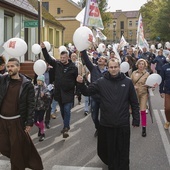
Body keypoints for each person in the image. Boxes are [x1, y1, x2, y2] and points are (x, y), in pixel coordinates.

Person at [77, 58, 140, 170]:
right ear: (108, 68)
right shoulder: (101, 82)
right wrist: (81, 84)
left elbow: (134, 102)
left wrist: (136, 119)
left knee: (123, 151)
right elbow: (87, 92)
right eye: (111, 67)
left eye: (115, 67)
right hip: (107, 124)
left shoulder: (127, 82)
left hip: (123, 124)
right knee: (110, 152)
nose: (113, 69)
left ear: (119, 68)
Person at [0, 58, 43, 170]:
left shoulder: (26, 84)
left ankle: (18, 163)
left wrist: (29, 122)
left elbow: (31, 104)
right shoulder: (3, 80)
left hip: (16, 122)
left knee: (16, 150)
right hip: (2, 121)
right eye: (8, 66)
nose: (9, 68)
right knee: (3, 147)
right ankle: (20, 159)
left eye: (12, 66)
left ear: (18, 68)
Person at [41, 43, 78, 138]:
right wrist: (44, 49)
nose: (62, 59)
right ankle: (66, 124)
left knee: (67, 110)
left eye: (64, 58)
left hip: (68, 92)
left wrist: (77, 91)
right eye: (61, 57)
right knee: (62, 110)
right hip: (59, 92)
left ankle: (66, 127)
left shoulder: (73, 67)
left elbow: (76, 80)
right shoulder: (57, 64)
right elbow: (48, 59)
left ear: (68, 57)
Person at [80, 50, 108, 137]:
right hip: (94, 97)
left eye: (102, 59)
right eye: (99, 58)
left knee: (105, 117)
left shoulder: (108, 72)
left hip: (104, 98)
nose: (100, 59)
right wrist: (83, 49)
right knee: (94, 116)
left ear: (105, 63)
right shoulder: (93, 68)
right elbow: (86, 60)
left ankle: (103, 131)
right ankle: (98, 128)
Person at [131, 59, 150, 137]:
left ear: (145, 65)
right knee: (133, 109)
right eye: (140, 64)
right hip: (134, 94)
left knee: (143, 111)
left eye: (142, 64)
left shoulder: (147, 74)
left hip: (143, 94)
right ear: (137, 65)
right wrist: (133, 87)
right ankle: (135, 121)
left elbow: (150, 85)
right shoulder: (133, 73)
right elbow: (130, 83)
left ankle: (144, 128)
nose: (141, 65)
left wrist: (151, 85)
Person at [34, 62, 55, 129]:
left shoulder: (51, 71)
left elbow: (54, 80)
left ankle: (47, 121)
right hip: (39, 93)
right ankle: (40, 123)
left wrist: (51, 86)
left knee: (48, 107)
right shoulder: (38, 72)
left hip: (48, 91)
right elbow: (35, 82)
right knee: (39, 108)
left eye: (46, 65)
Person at [34, 75, 51, 142]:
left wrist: (44, 95)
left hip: (42, 107)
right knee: (35, 121)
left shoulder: (45, 88)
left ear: (43, 81)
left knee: (40, 119)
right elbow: (33, 96)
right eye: (38, 80)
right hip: (36, 107)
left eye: (40, 81)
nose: (39, 82)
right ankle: (41, 128)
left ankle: (42, 134)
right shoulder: (35, 87)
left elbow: (49, 97)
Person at [159, 54, 170, 129]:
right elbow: (161, 80)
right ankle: (168, 121)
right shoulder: (164, 67)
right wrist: (161, 91)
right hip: (167, 91)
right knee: (167, 108)